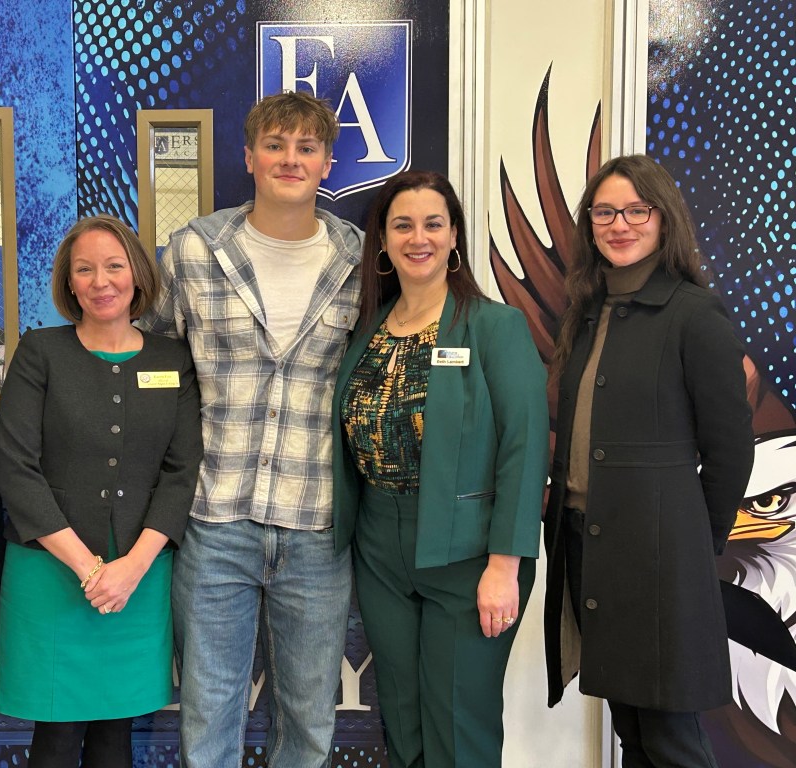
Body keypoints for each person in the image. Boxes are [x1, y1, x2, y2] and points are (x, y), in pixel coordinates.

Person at [137, 90, 363, 767]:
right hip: (215, 521)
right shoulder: (194, 249)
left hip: (317, 525)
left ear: (326, 164)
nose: (290, 159)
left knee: (309, 720)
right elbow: (154, 359)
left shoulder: (360, 257)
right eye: (275, 145)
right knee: (209, 719)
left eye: (306, 148)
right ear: (248, 157)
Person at [543, 154, 755, 767]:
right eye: (605, 212)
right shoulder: (586, 311)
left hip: (660, 556)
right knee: (631, 734)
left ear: (664, 219)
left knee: (669, 738)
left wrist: (692, 542)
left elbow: (730, 448)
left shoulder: (694, 313)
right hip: (586, 543)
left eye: (638, 210)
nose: (620, 225)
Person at [332, 170, 549, 767]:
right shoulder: (367, 330)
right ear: (382, 240)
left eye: (433, 224)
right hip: (380, 547)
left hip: (471, 553)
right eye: (402, 225)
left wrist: (505, 564)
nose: (418, 238)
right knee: (402, 720)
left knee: (459, 724)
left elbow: (524, 448)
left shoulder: (494, 326)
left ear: (454, 236)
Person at [0, 214, 201, 768]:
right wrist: (90, 569)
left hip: (139, 575)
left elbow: (181, 472)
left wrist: (131, 568)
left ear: (138, 275)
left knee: (116, 733)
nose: (100, 281)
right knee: (57, 736)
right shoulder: (40, 352)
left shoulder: (172, 360)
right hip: (51, 572)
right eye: (84, 269)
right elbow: (17, 469)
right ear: (68, 281)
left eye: (114, 266)